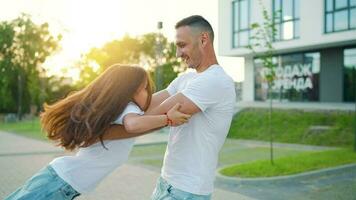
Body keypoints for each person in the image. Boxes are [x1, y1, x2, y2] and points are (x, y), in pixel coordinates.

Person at [5, 64, 191, 200]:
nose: (149, 93)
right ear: (129, 92)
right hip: (59, 183)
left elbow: (148, 112)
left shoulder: (122, 110)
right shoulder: (129, 109)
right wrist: (167, 120)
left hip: (60, 181)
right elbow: (133, 125)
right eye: (144, 89)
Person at [148, 15, 236, 199]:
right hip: (166, 183)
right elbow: (148, 104)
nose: (178, 54)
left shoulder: (216, 80)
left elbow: (149, 116)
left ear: (203, 39)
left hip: (186, 191)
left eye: (182, 45)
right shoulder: (186, 79)